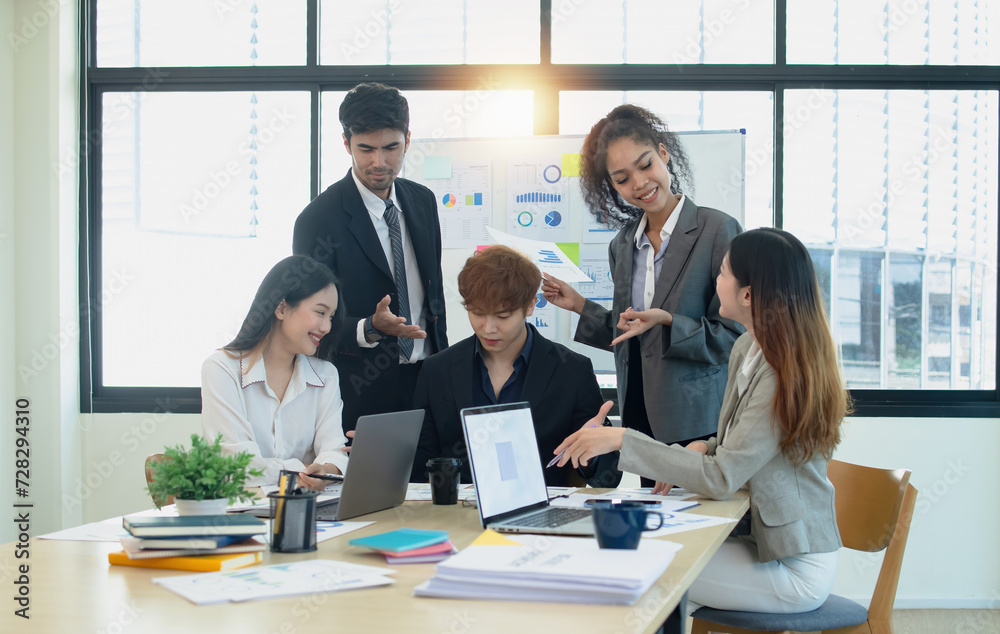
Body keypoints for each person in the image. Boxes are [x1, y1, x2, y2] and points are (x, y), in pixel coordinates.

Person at [554, 228, 851, 615]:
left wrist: (622, 439)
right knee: (644, 557)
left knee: (647, 569)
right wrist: (705, 445)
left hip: (792, 564)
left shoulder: (781, 373)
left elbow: (722, 478)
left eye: (724, 273)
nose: (716, 281)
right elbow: (748, 444)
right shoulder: (748, 348)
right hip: (761, 547)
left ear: (748, 294)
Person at [541, 105, 743, 479]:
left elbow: (735, 337)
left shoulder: (718, 230)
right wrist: (580, 306)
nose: (639, 183)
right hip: (641, 419)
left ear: (664, 154)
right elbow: (632, 335)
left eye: (646, 164)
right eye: (621, 179)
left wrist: (668, 321)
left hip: (701, 423)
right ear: (612, 187)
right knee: (661, 534)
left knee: (707, 531)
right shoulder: (622, 244)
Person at [292, 82, 447, 435]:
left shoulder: (423, 202)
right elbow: (307, 322)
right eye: (366, 149)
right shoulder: (318, 219)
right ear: (346, 143)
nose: (379, 162)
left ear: (408, 139)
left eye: (391, 147)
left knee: (438, 490)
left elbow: (432, 296)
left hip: (431, 380)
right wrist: (370, 328)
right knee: (371, 491)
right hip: (361, 390)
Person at [410, 245, 621, 488]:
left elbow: (609, 476)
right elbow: (419, 465)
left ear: (530, 306)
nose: (488, 328)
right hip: (457, 513)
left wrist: (590, 453)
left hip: (542, 513)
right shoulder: (437, 369)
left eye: (502, 316)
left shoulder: (571, 370)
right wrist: (384, 451)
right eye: (477, 313)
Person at [201, 255, 351, 491]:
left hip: (308, 510)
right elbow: (239, 468)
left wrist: (324, 470)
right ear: (281, 307)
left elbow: (335, 452)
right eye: (320, 313)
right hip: (243, 514)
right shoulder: (222, 369)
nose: (327, 327)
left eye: (331, 317)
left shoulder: (326, 375)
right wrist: (302, 468)